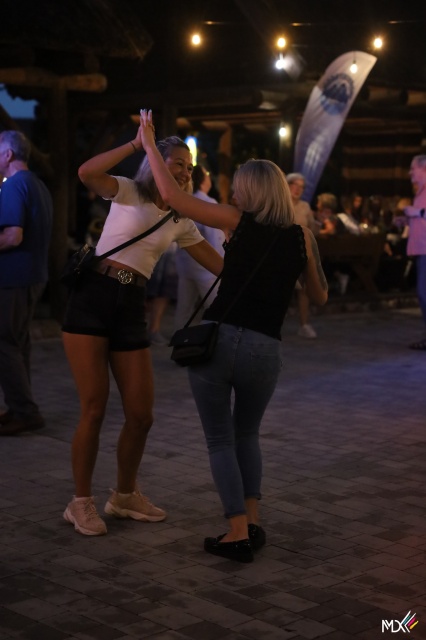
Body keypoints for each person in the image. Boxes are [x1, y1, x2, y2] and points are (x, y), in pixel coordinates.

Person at [140, 109, 328, 562]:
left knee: (220, 440)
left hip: (221, 340)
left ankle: (237, 531)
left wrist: (148, 143)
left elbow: (172, 196)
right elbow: (319, 295)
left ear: (251, 192)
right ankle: (253, 521)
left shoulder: (236, 220)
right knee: (248, 435)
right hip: (266, 348)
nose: (235, 194)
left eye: (240, 188)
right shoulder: (301, 236)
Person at [62, 133, 223, 536]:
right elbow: (86, 173)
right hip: (93, 297)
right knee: (94, 408)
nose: (185, 171)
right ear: (155, 162)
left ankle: (124, 495)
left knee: (141, 414)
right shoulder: (129, 190)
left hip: (133, 305)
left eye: (189, 167)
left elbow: (221, 266)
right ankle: (80, 502)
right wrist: (137, 144)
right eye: (177, 163)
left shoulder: (180, 219)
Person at [0, 130, 53, 436]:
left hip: (13, 278)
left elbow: (12, 235)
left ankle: (25, 411)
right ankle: (19, 407)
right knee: (19, 344)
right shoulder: (38, 185)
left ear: (8, 155)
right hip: (34, 276)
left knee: (5, 343)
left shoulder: (13, 185)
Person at [174, 165, 225, 330]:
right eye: (207, 174)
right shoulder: (208, 202)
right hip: (205, 266)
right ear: (203, 179)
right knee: (216, 307)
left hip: (186, 264)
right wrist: (221, 262)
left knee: (184, 308)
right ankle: (214, 338)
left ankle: (178, 337)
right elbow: (215, 237)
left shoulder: (186, 201)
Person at [286, 173, 319, 339]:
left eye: (301, 187)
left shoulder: (305, 206)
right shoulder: (281, 204)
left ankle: (304, 324)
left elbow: (312, 229)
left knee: (304, 289)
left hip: (301, 253)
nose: (298, 189)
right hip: (282, 253)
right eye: (295, 185)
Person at [402, 155, 426, 350]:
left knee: (423, 292)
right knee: (422, 292)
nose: (410, 172)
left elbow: (422, 213)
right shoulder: (421, 192)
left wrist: (415, 213)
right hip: (421, 248)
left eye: (413, 168)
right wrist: (407, 220)